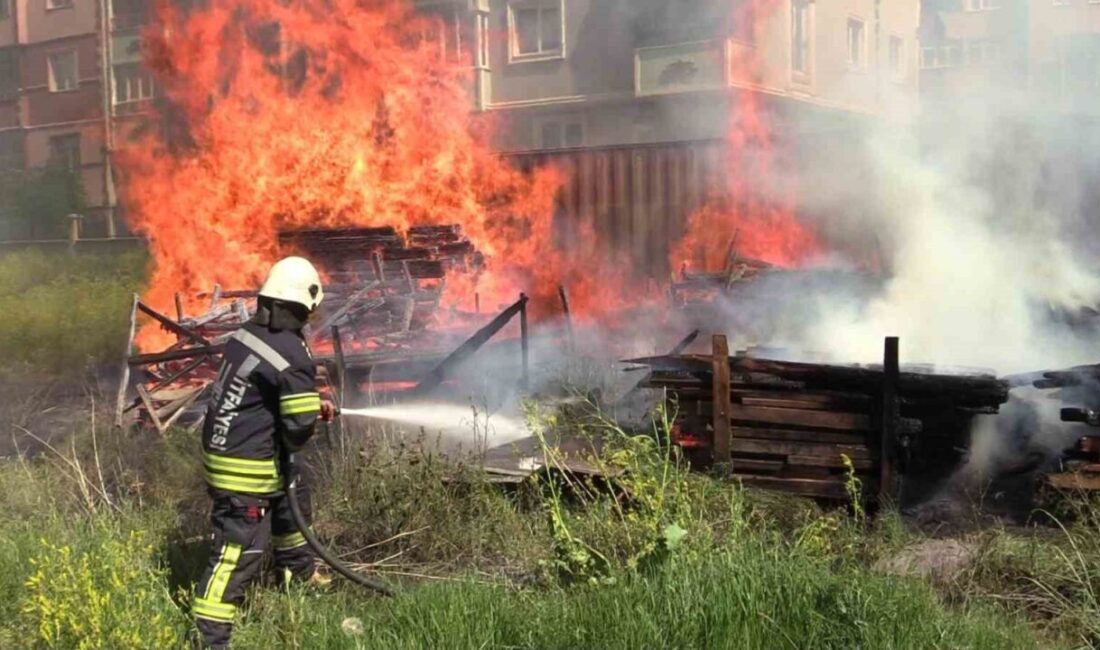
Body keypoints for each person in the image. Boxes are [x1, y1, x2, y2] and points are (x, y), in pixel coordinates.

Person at [192, 256, 335, 649]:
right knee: (236, 556)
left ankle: (298, 575)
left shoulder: (244, 335)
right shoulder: (292, 350)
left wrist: (305, 406)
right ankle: (210, 638)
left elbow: (259, 394)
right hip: (246, 470)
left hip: (226, 449)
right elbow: (297, 428)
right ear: (302, 306)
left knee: (295, 491)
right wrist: (306, 419)